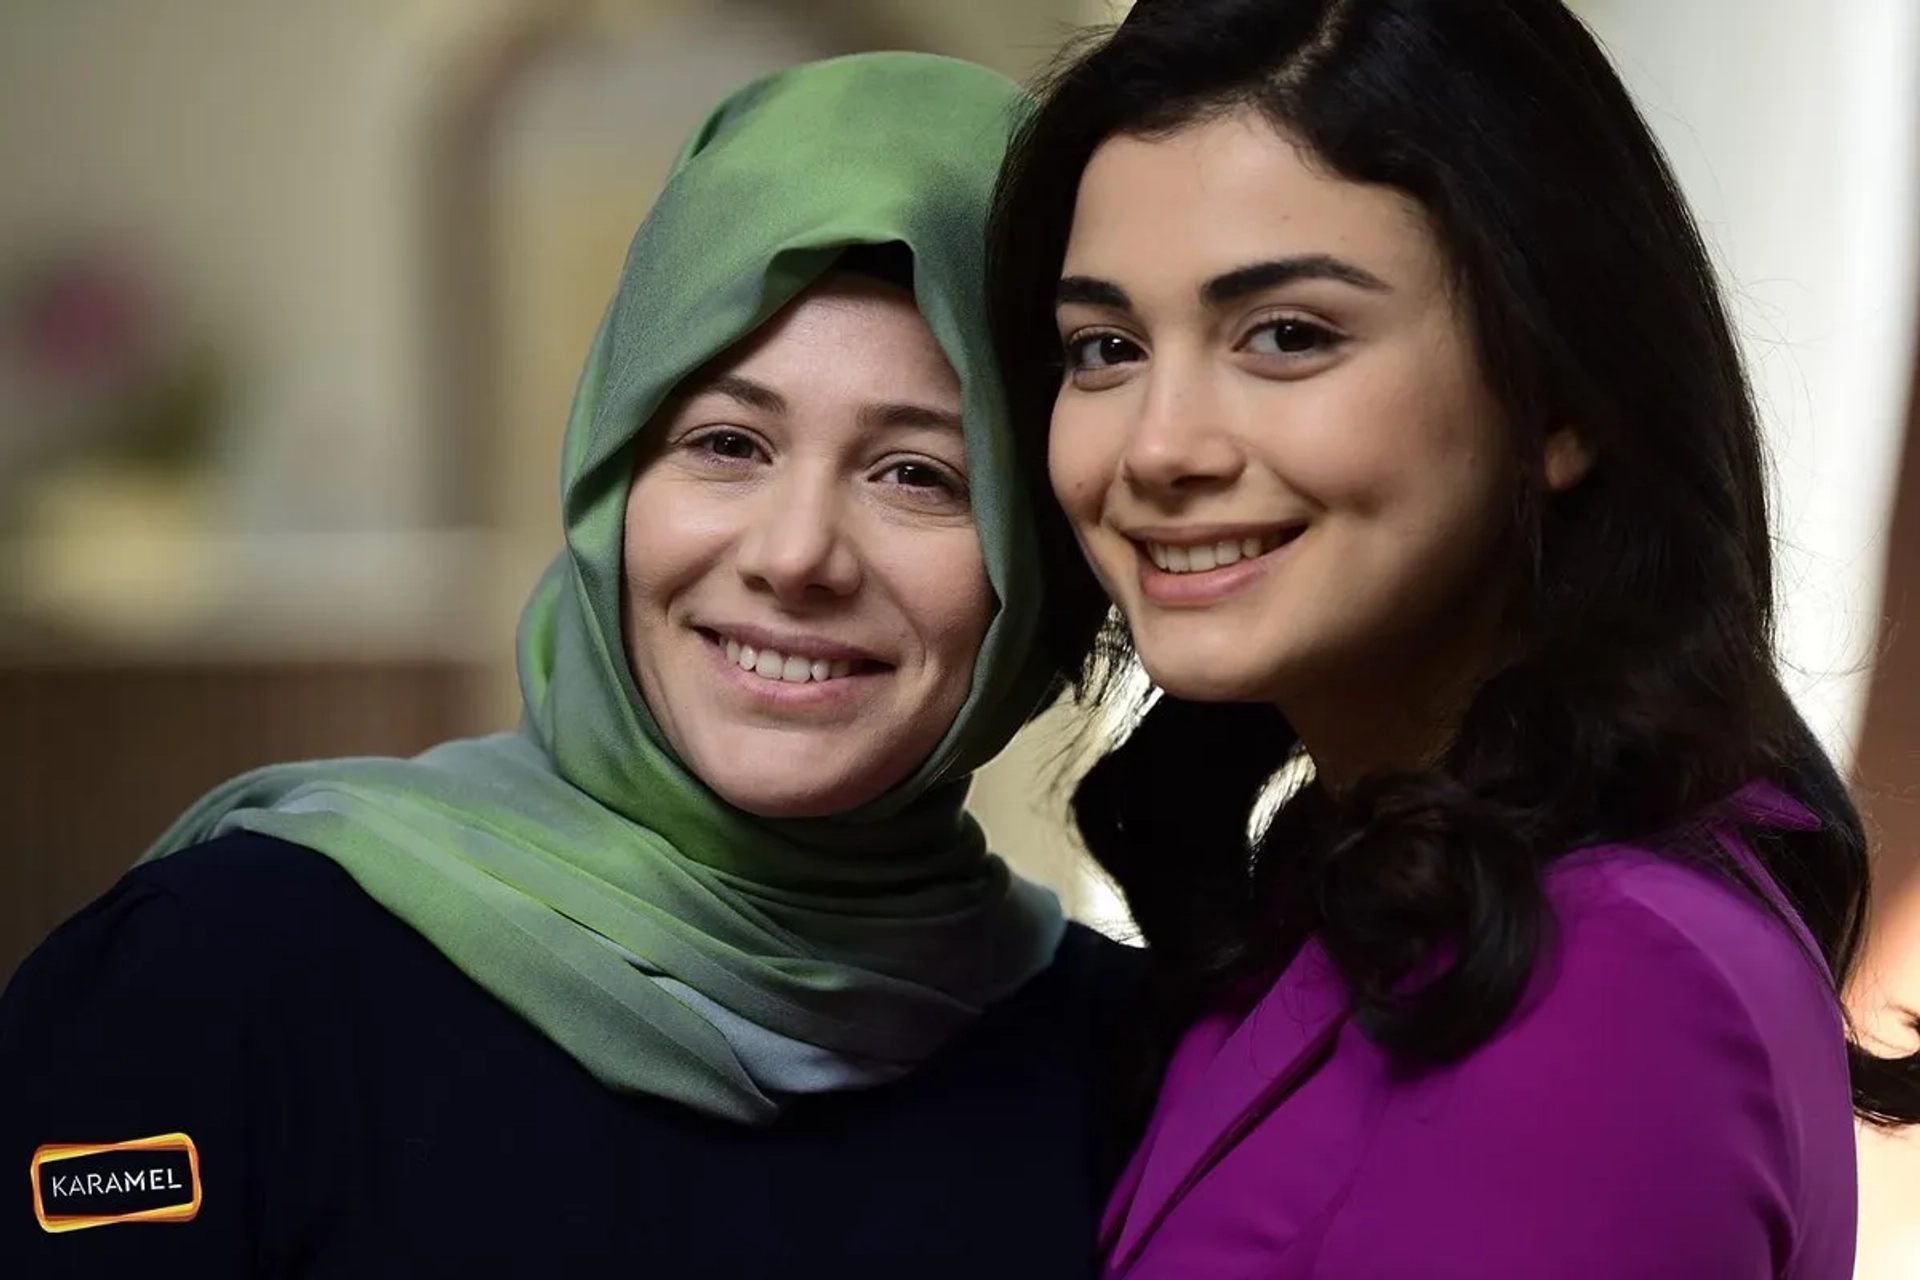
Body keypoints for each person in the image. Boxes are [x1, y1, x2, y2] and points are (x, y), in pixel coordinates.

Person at [1, 52, 1142, 1277]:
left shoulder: (1124, 1069)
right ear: (612, 477)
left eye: (920, 472)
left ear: (1041, 553)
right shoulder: (225, 974)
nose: (797, 551)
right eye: (726, 440)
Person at [985, 1, 1920, 1276]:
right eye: (1105, 347)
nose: (1157, 446)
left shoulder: (1617, 984)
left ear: (1561, 396)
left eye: (1288, 335)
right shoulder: (1377, 884)